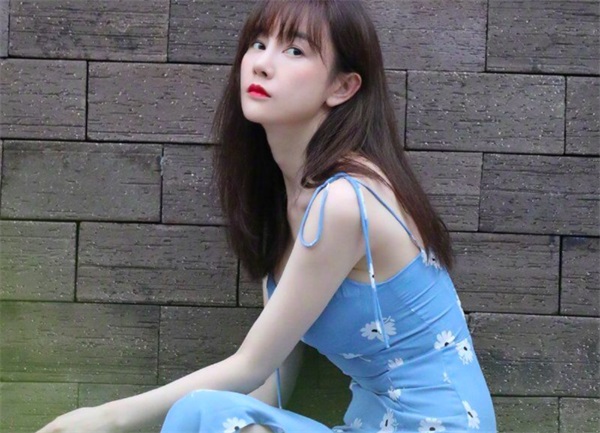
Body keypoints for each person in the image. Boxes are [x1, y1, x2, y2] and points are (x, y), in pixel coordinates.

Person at [36, 1, 497, 432]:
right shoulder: (285, 205)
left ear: (342, 87)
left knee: (202, 410)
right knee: (214, 416)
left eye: (294, 50)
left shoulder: (346, 201)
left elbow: (250, 365)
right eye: (258, 44)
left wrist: (104, 419)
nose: (261, 63)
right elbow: (269, 382)